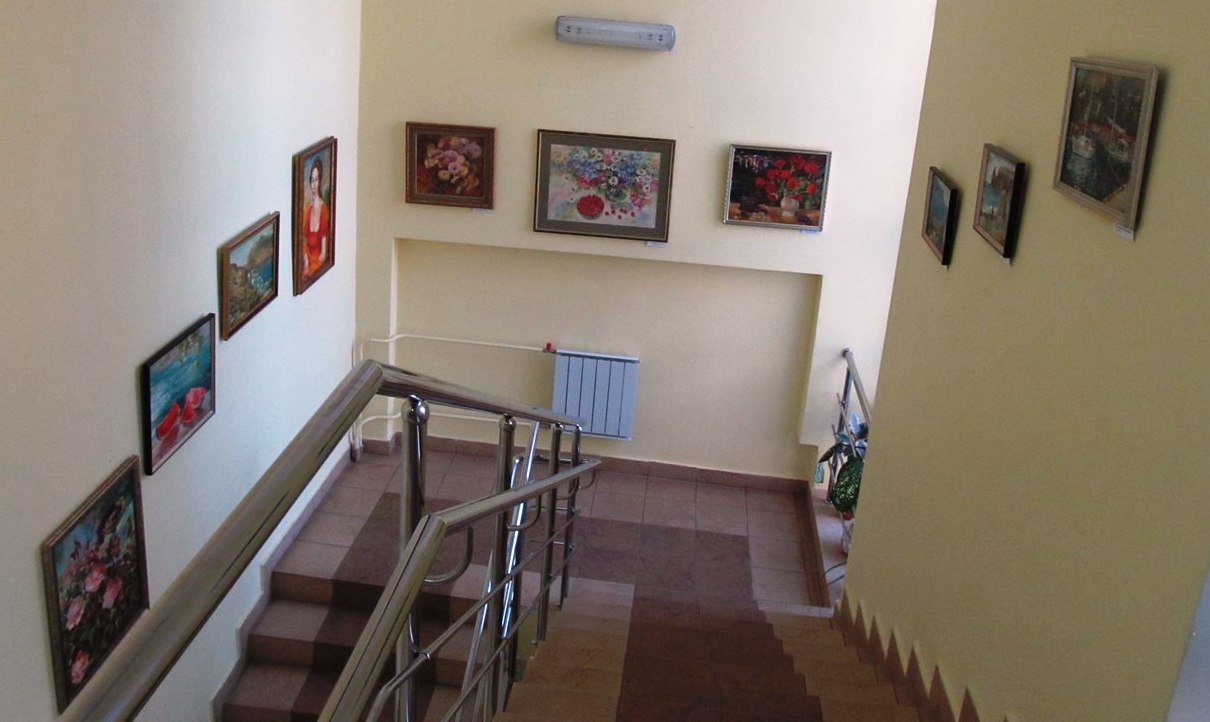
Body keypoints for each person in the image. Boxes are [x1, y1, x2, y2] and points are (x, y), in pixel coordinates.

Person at [302, 157, 329, 278]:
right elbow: (304, 245)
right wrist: (306, 265)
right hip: (308, 267)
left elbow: (323, 254)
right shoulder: (307, 211)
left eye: (316, 180)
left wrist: (313, 269)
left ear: (320, 181)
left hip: (318, 266)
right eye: (312, 180)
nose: (313, 185)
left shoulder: (324, 210)